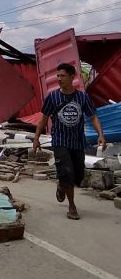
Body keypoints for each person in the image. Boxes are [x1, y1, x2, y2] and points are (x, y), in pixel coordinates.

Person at [33, 63, 106, 220]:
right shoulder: (52, 97)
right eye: (57, 76)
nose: (59, 79)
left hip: (78, 142)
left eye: (62, 76)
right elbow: (44, 119)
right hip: (60, 140)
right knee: (67, 172)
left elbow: (92, 116)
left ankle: (62, 185)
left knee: (78, 176)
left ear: (72, 77)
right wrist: (36, 138)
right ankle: (72, 207)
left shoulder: (82, 97)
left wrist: (101, 134)